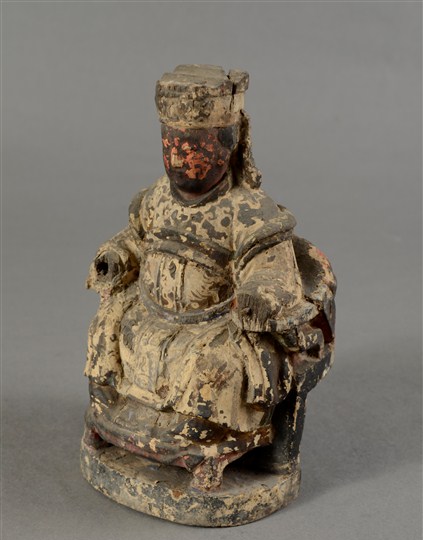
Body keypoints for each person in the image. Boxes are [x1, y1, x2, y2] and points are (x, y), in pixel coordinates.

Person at [83, 65, 336, 492]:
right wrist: (116, 256)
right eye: (170, 145)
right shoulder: (156, 199)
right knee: (107, 326)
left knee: (211, 366)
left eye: (194, 148)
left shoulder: (248, 212)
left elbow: (272, 270)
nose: (179, 158)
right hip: (152, 313)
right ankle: (111, 414)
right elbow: (135, 240)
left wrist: (257, 294)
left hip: (215, 325)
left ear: (228, 146)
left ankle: (204, 438)